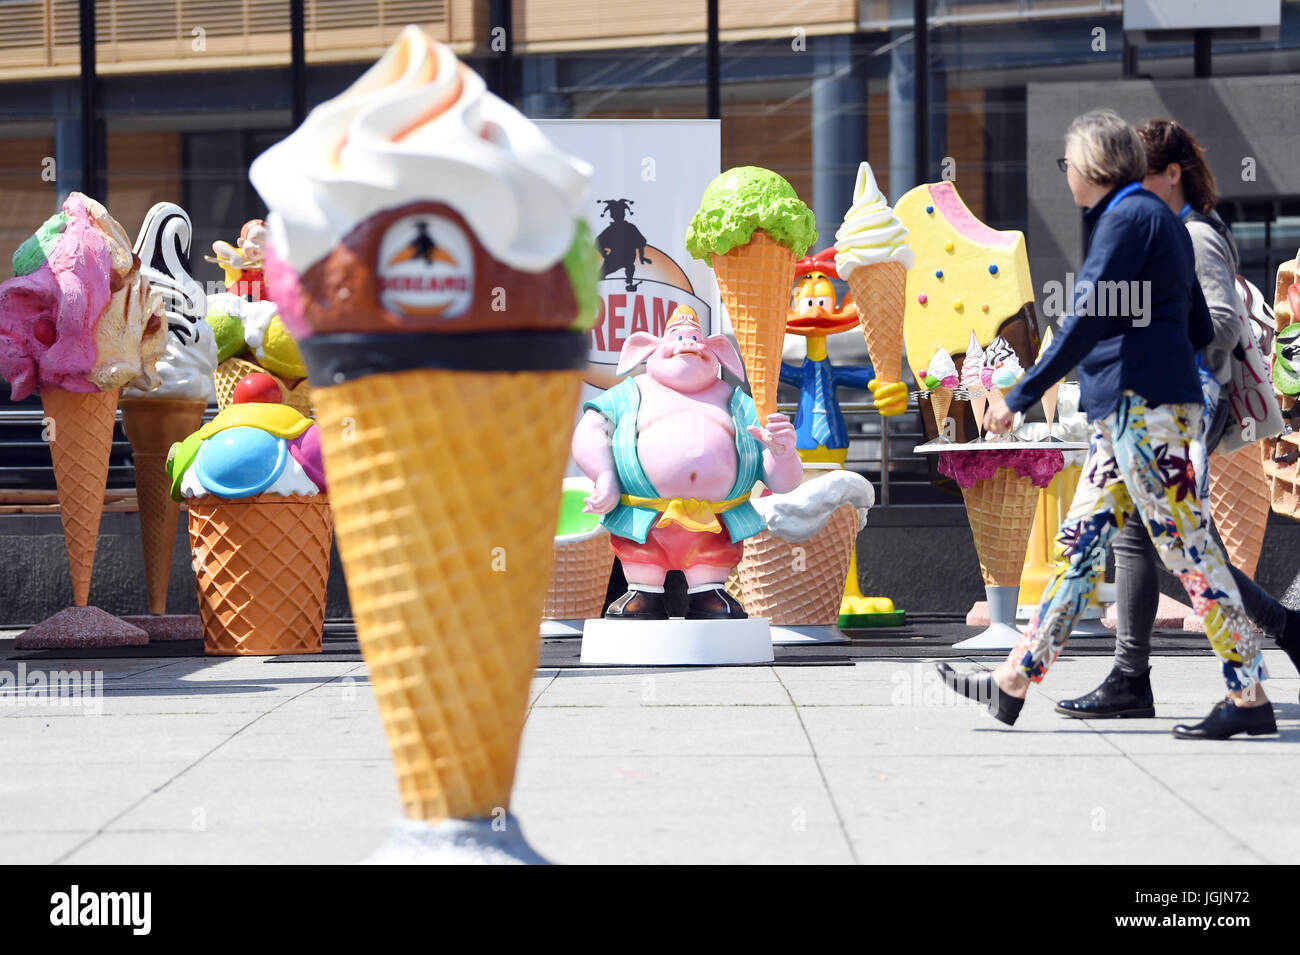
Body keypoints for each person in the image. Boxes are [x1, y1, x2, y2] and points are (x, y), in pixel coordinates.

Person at [937, 109, 1274, 740]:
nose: (1067, 177)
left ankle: (1249, 693)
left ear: (1092, 166)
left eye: (1068, 164)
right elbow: (1198, 325)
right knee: (1080, 551)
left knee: (1191, 553)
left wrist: (1020, 392)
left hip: (1142, 414)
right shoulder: (1161, 221)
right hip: (1135, 413)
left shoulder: (1125, 219)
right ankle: (1013, 683)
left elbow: (1085, 317)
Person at [1056, 119, 1300, 721]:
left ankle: (1144, 676)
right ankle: (1135, 675)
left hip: (1185, 406)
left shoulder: (1195, 236)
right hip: (1161, 407)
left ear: (1172, 174)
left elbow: (1218, 323)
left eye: (1140, 177)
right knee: (1157, 540)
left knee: (1177, 545)